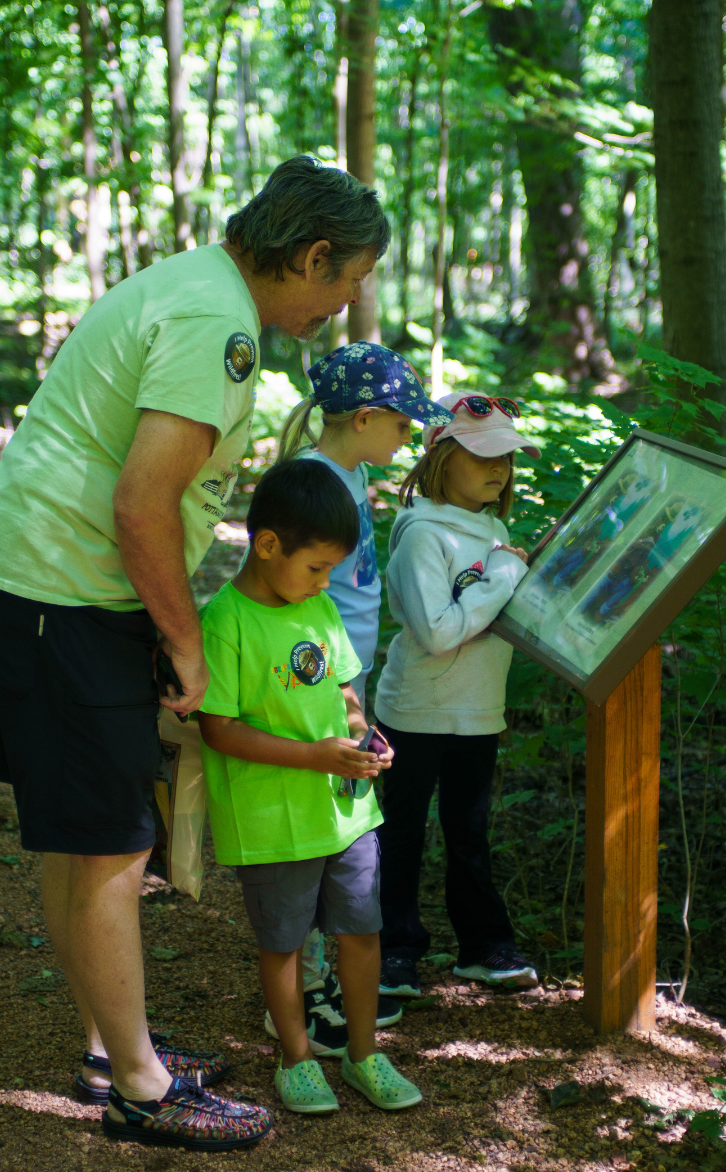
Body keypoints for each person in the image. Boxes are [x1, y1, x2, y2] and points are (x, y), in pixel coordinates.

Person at [0, 154, 389, 1149]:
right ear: (312, 255)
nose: (347, 300)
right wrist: (185, 645)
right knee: (111, 838)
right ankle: (141, 1087)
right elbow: (143, 502)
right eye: (349, 277)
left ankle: (112, 1046)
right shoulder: (214, 324)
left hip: (43, 578)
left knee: (84, 832)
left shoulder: (197, 285)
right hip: (61, 587)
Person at [197, 459, 422, 1114]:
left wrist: (365, 734)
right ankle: (296, 1059)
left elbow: (345, 689)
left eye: (331, 570)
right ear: (268, 545)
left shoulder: (319, 607)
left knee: (362, 932)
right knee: (284, 944)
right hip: (272, 820)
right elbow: (218, 730)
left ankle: (363, 1053)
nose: (325, 582)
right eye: (316, 566)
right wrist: (313, 757)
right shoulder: (227, 622)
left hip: (345, 813)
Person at [273, 342, 453, 1053]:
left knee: (337, 827)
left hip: (344, 673)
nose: (409, 438)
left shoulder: (344, 475)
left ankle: (316, 981)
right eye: (403, 425)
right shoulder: (316, 482)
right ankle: (303, 996)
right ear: (364, 418)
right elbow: (298, 598)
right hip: (320, 679)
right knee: (322, 834)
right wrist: (345, 697)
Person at [373, 393, 542, 1000]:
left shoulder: (491, 529)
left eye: (506, 458)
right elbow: (438, 631)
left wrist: (511, 575)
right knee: (403, 832)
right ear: (442, 458)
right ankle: (394, 951)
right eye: (482, 456)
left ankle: (484, 947)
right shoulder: (423, 535)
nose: (498, 469)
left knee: (469, 831)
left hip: (477, 712)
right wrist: (501, 578)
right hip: (417, 711)